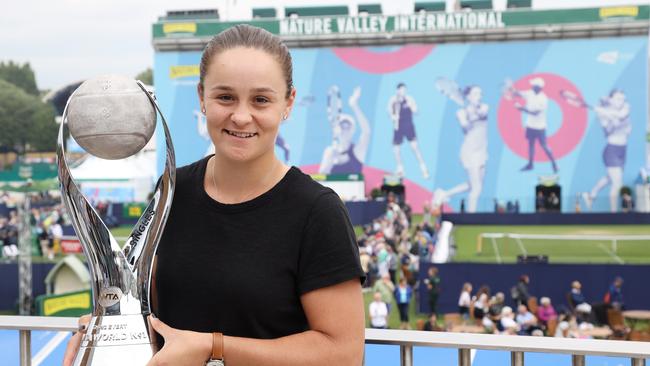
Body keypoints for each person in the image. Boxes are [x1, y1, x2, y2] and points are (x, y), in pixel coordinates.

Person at [64, 25, 365, 366]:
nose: (240, 115)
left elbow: (344, 353)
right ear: (202, 98)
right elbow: (157, 318)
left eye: (261, 100)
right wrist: (111, 331)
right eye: (225, 97)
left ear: (288, 103)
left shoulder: (317, 211)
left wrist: (214, 347)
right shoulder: (173, 190)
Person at [434, 85, 488, 212]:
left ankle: (443, 194)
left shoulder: (485, 107)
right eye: (475, 94)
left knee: (473, 185)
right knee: (476, 189)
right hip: (470, 152)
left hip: (482, 151)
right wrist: (469, 115)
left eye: (480, 94)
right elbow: (465, 127)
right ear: (468, 97)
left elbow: (482, 113)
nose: (479, 97)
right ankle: (471, 217)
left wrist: (473, 112)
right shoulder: (461, 113)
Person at [582, 90, 631, 212]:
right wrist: (602, 111)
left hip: (622, 150)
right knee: (617, 183)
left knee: (609, 178)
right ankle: (614, 214)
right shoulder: (603, 116)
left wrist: (601, 110)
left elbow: (620, 115)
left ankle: (591, 195)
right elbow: (607, 127)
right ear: (611, 99)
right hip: (612, 150)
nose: (621, 101)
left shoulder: (625, 108)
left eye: (622, 98)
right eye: (618, 98)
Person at [509, 77, 558, 173]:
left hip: (540, 127)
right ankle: (530, 164)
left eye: (534, 85)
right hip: (530, 125)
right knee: (531, 145)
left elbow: (536, 113)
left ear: (538, 87)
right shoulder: (529, 93)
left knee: (544, 146)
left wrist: (522, 109)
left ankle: (554, 164)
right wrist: (512, 89)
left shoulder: (543, 99)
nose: (531, 86)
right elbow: (517, 93)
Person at [319, 85, 370, 174]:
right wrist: (330, 162)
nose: (345, 129)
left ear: (353, 130)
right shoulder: (329, 152)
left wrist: (354, 105)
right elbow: (320, 179)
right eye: (342, 126)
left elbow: (367, 132)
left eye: (348, 126)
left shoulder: (357, 151)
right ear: (336, 130)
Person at [387, 82, 429, 178]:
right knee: (396, 149)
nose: (403, 92)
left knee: (415, 148)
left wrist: (412, 106)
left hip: (409, 126)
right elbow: (389, 112)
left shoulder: (409, 99)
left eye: (405, 90)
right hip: (398, 128)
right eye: (402, 90)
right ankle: (400, 169)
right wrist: (393, 117)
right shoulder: (392, 100)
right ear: (397, 90)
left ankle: (424, 170)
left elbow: (417, 111)